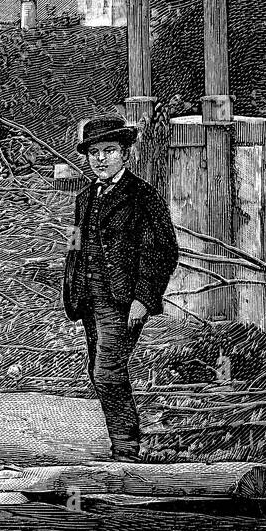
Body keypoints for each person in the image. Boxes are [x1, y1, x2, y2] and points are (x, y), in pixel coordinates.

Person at [62, 115, 179, 463]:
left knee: (108, 371)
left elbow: (162, 251)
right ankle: (122, 444)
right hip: (90, 299)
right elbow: (75, 244)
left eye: (109, 151)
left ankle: (126, 451)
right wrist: (71, 288)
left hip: (123, 301)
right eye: (94, 152)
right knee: (99, 372)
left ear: (125, 154)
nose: (100, 159)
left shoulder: (142, 195)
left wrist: (144, 298)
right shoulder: (85, 198)